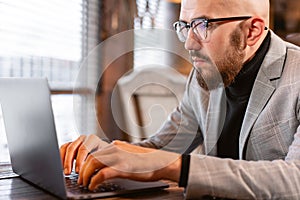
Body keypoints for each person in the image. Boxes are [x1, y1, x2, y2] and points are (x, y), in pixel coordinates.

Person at [60, 0, 300, 199]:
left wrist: (176, 167)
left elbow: (295, 180)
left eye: (202, 25)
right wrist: (105, 151)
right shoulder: (204, 76)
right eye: (185, 26)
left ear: (252, 31)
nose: (188, 43)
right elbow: (161, 149)